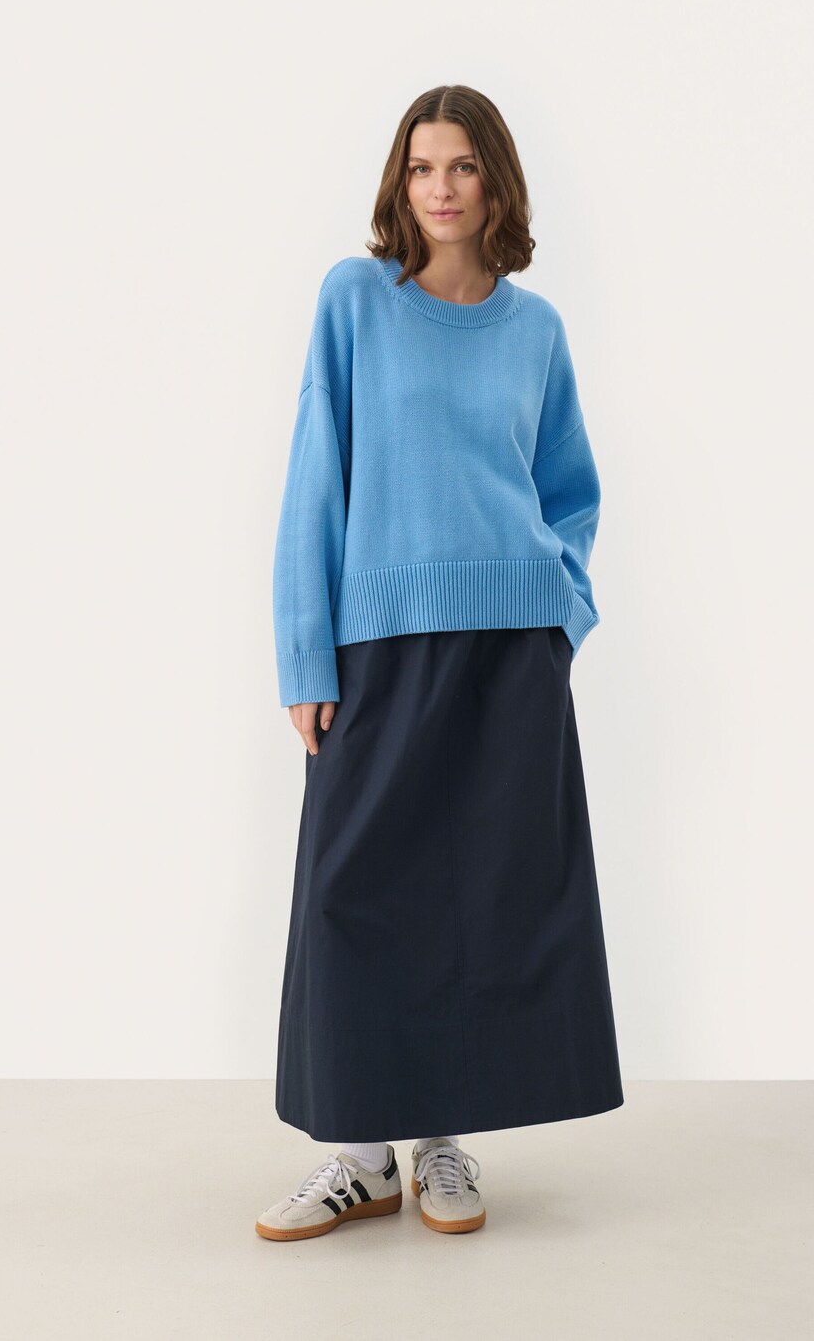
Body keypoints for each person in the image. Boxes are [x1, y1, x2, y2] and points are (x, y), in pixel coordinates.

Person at [256, 83, 624, 1243]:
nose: (441, 188)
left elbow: (570, 493)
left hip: (512, 655)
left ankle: (443, 1143)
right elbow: (316, 474)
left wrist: (561, 612)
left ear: (495, 179)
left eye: (462, 165)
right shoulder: (355, 302)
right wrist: (305, 654)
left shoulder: (536, 330)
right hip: (377, 648)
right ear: (398, 182)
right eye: (421, 167)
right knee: (353, 892)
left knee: (481, 901)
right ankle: (361, 1157)